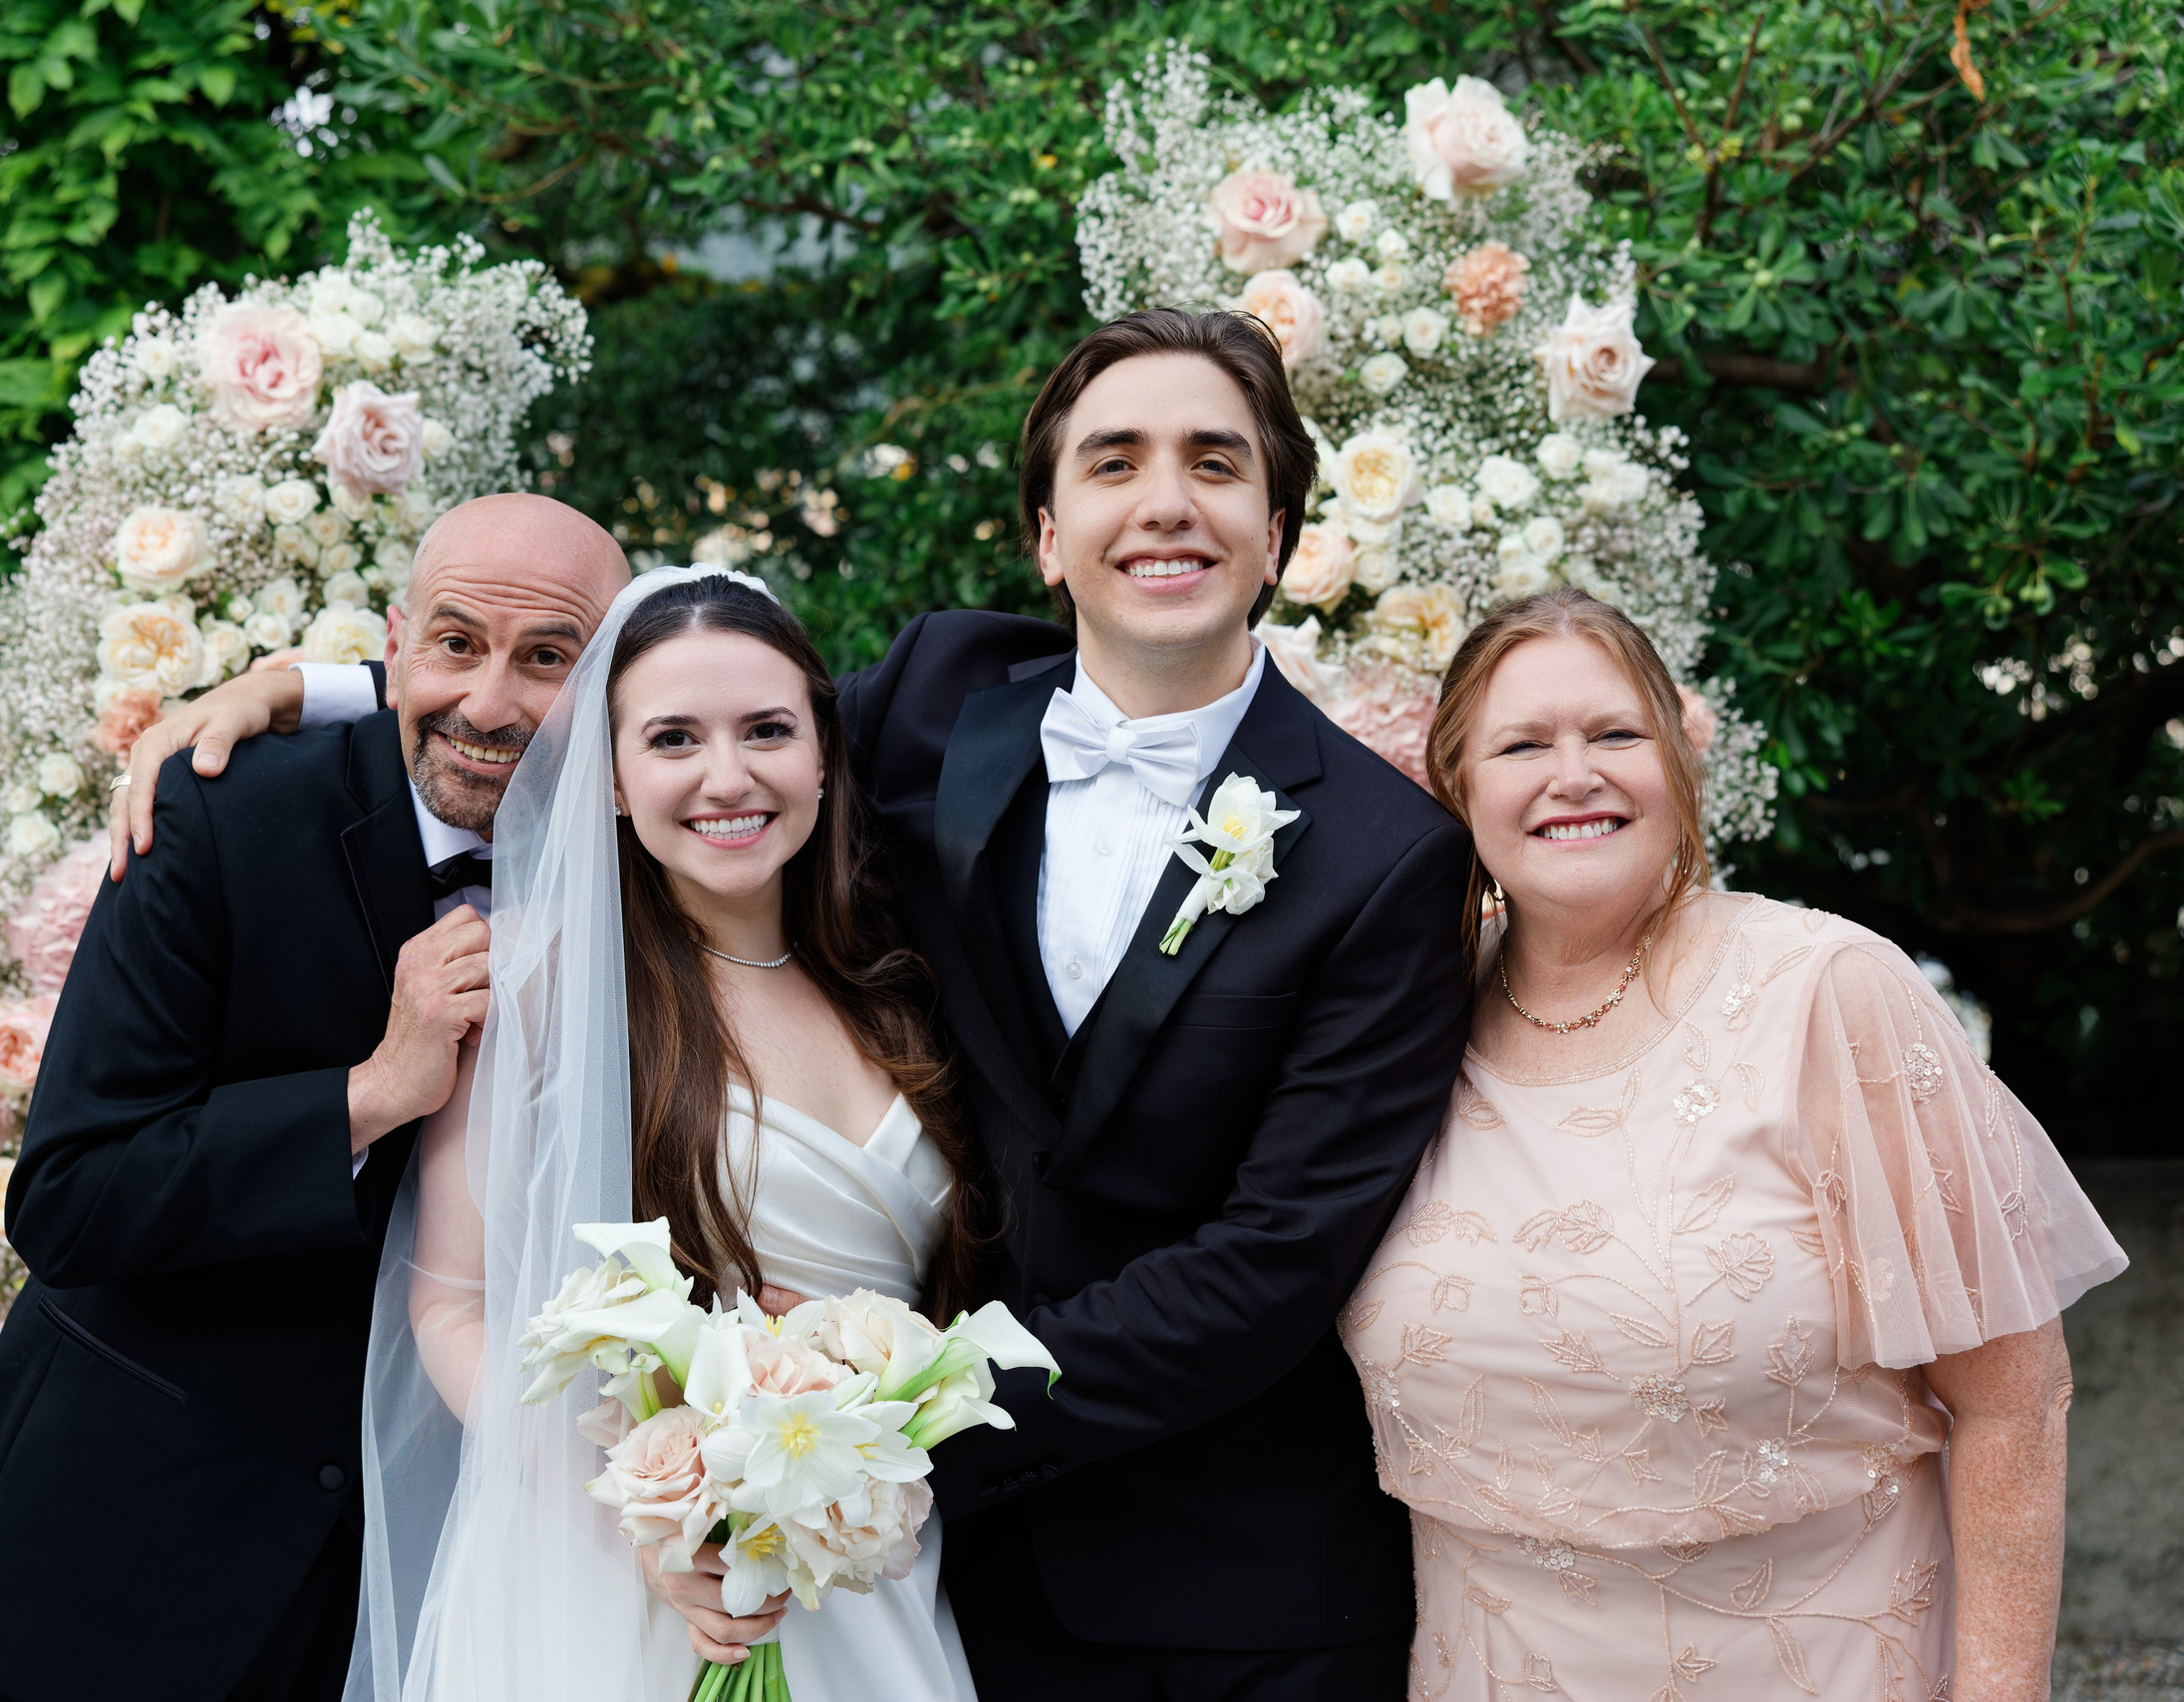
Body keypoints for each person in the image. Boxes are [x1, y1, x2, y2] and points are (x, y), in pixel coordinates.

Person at [124, 307, 1474, 1697]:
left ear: (1284, 529)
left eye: (1217, 462)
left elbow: (1272, 1262)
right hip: (893, 1573)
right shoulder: (943, 703)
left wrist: (855, 1424)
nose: (1167, 503)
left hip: (1205, 1581)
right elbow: (700, 703)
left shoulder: (1388, 861)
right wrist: (325, 684)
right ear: (1046, 534)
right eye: (1115, 461)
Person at [1340, 587, 2129, 1701]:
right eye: (1522, 744)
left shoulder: (1823, 994)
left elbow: (2013, 1395)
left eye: (1615, 734)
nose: (1575, 774)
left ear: (1678, 763)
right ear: (1456, 784)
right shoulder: (1399, 1013)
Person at [0, 496, 629, 1702]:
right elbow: (73, 1199)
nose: (492, 704)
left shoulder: (649, 844)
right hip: (133, 1542)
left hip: (436, 1584)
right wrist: (368, 1095)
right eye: (454, 645)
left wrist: (310, 678)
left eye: (549, 661)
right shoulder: (218, 814)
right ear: (397, 644)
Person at [349, 565, 991, 1699]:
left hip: (872, 1570)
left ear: (825, 755)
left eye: (767, 730)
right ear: (607, 778)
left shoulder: (899, 976)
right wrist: (652, 1512)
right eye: (674, 739)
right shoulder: (540, 986)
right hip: (631, 1582)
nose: (727, 777)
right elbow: (451, 1300)